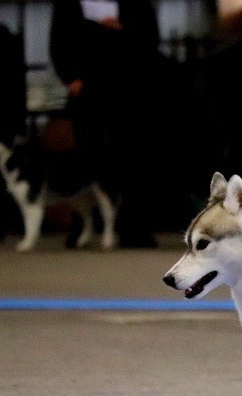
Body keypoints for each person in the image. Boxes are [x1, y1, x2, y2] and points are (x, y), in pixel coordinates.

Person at [50, 0, 162, 247]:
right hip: (86, 85)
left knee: (132, 154)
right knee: (87, 156)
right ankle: (84, 225)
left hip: (127, 85)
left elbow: (151, 39)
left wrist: (121, 29)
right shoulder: (68, 5)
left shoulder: (137, 5)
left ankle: (133, 226)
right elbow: (58, 41)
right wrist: (70, 77)